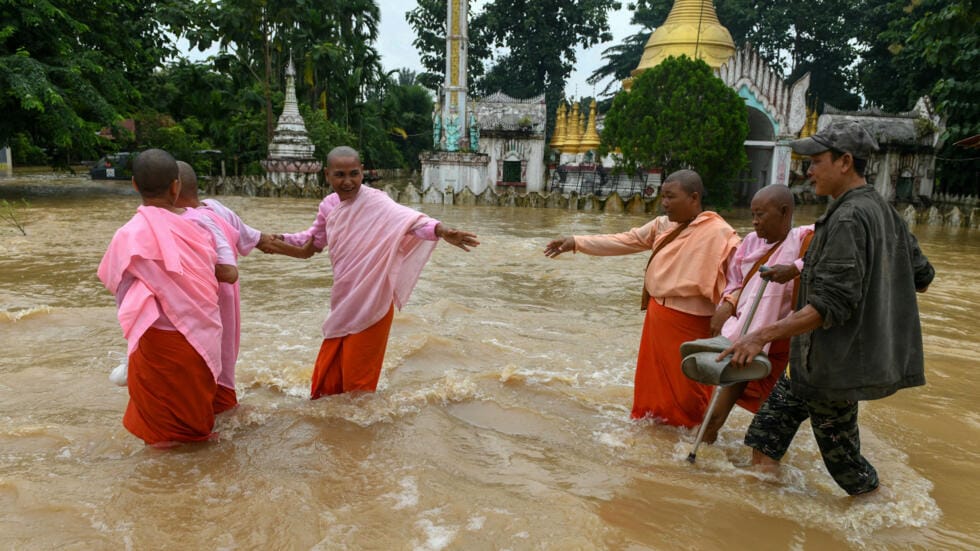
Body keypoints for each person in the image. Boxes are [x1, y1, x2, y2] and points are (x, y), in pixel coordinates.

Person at [719, 121, 935, 496]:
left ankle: (886, 527)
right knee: (764, 442)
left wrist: (761, 335)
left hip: (832, 370)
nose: (809, 171)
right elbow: (921, 276)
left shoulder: (848, 218)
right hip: (812, 363)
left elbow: (830, 305)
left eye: (816, 161)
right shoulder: (884, 211)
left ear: (845, 162)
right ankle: (764, 520)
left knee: (851, 474)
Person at [263, 146, 480, 398]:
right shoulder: (328, 206)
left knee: (358, 391)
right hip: (344, 298)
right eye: (340, 175)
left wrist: (441, 230)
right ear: (327, 175)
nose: (348, 182)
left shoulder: (377, 201)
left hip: (373, 298)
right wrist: (281, 239)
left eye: (354, 174)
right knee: (325, 387)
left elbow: (411, 222)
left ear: (362, 172)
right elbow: (314, 240)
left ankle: (360, 434)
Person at [544, 170, 740, 427]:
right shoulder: (662, 226)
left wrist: (730, 304)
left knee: (690, 388)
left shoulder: (721, 233)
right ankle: (655, 434)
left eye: (671, 197)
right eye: (663, 197)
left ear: (694, 197)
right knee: (652, 384)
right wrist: (577, 242)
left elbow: (741, 276)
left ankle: (693, 434)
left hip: (696, 322)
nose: (665, 203)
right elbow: (625, 240)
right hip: (659, 315)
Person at [97, 149, 228, 447]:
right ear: (175, 186)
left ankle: (162, 488)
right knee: (195, 430)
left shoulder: (127, 235)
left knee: (162, 439)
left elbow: (120, 291)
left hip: (157, 342)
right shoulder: (199, 230)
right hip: (202, 340)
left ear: (133, 185)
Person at [699, 185, 814, 444]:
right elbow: (735, 282)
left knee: (772, 420)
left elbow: (826, 259)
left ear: (784, 212)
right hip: (747, 335)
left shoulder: (806, 238)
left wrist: (793, 268)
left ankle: (761, 471)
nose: (754, 221)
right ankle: (700, 458)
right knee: (714, 414)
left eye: (760, 215)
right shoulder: (750, 243)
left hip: (784, 341)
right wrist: (727, 305)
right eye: (752, 214)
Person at [175, 160, 274, 413]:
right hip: (228, 314)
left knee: (205, 386)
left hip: (207, 315)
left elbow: (228, 271)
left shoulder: (190, 223)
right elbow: (259, 239)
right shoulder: (215, 208)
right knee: (223, 371)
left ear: (172, 189)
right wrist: (307, 247)